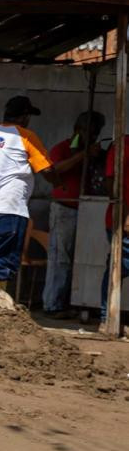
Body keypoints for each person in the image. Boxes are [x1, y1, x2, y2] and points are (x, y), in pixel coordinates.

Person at [0, 95, 59, 289]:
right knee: (0, 269)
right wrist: (59, 181)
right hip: (9, 210)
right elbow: (47, 170)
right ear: (24, 117)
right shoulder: (26, 136)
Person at [43, 111, 106, 318]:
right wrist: (83, 155)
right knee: (61, 258)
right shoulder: (62, 149)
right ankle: (53, 304)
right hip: (64, 208)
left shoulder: (95, 152)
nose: (94, 136)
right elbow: (54, 170)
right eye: (90, 132)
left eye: (96, 133)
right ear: (79, 130)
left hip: (89, 211)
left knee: (85, 259)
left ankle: (77, 302)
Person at [102, 137, 129, 326]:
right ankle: (107, 317)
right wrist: (125, 215)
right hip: (122, 219)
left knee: (118, 266)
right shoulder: (121, 146)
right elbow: (110, 182)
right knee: (119, 266)